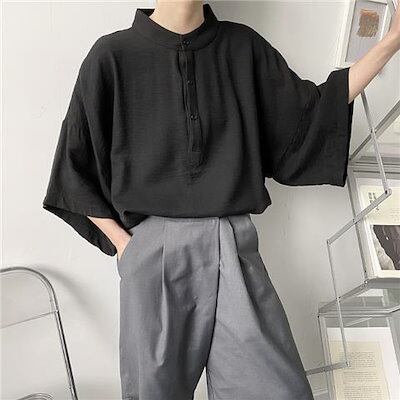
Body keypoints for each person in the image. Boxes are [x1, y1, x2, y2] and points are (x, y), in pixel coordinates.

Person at [42, 1, 400, 399]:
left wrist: (391, 41)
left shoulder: (243, 47)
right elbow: (73, 167)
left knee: (274, 390)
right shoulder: (111, 55)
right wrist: (128, 247)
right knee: (154, 393)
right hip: (153, 253)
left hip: (233, 244)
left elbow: (310, 113)